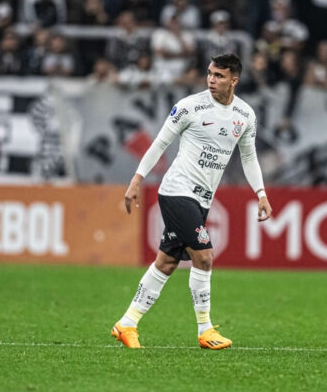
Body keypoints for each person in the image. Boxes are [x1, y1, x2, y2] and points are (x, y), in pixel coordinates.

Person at [112, 53, 273, 350]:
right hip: (176, 190)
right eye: (210, 74)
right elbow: (160, 142)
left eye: (219, 76)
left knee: (167, 262)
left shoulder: (245, 115)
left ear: (234, 80)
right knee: (204, 256)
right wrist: (137, 179)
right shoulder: (190, 107)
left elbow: (248, 157)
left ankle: (127, 323)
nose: (211, 80)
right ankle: (205, 329)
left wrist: (261, 194)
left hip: (202, 198)